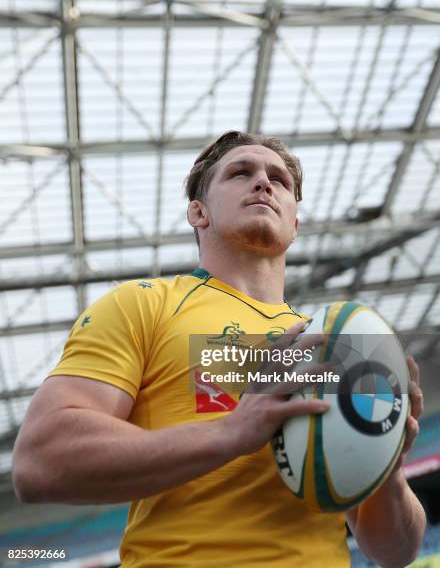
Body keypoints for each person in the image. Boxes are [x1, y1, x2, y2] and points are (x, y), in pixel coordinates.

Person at [12, 131, 426, 567]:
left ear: (295, 224)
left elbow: (396, 552)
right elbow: (40, 460)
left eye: (280, 181)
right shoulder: (146, 303)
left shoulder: (329, 345)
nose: (264, 183)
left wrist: (386, 467)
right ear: (199, 211)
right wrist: (230, 433)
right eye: (241, 172)